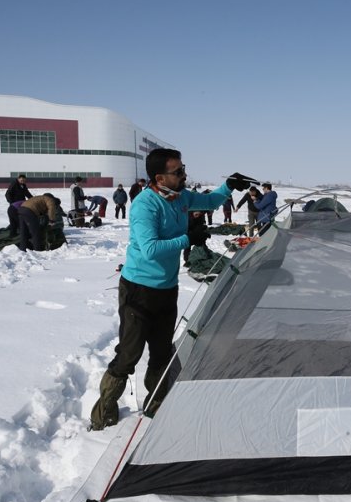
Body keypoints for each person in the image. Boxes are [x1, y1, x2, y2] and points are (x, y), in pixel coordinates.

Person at [89, 149, 251, 430]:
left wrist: (229, 186)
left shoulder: (181, 197)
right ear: (160, 177)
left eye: (183, 168)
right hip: (138, 290)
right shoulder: (145, 205)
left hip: (167, 288)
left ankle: (157, 405)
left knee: (162, 352)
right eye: (178, 172)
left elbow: (211, 200)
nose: (184, 175)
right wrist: (188, 237)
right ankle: (103, 414)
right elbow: (150, 249)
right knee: (129, 354)